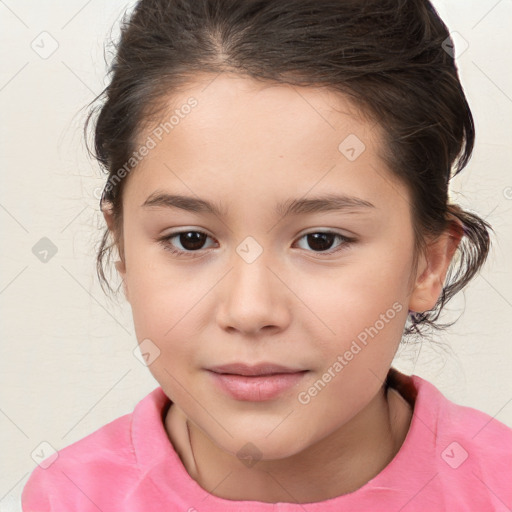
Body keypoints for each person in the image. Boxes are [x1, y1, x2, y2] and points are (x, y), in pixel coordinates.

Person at [21, 0, 512, 510]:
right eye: (190, 239)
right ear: (122, 247)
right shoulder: (69, 498)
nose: (250, 310)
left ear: (428, 262)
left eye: (321, 240)